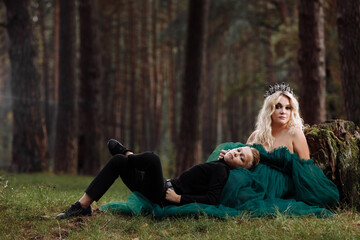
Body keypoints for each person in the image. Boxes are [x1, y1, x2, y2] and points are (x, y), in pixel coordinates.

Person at [57, 140, 260, 219]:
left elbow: (212, 198)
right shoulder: (220, 166)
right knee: (117, 162)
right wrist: (223, 159)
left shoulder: (222, 172)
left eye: (242, 159)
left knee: (152, 159)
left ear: (241, 168)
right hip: (159, 186)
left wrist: (180, 200)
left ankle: (128, 153)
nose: (237, 154)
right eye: (239, 150)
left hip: (162, 194)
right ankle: (82, 205)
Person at [246, 83, 310, 160]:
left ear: (292, 111)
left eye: (288, 108)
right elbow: (244, 162)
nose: (283, 111)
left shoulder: (295, 133)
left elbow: (306, 166)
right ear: (269, 110)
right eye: (278, 106)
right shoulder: (255, 136)